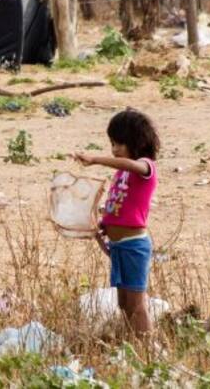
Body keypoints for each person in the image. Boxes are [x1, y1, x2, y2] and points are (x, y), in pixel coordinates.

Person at [74, 108, 160, 337]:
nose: (115, 150)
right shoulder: (121, 175)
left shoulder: (145, 167)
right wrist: (103, 225)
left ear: (137, 141)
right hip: (119, 246)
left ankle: (147, 348)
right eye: (112, 144)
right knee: (124, 304)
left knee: (137, 305)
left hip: (133, 245)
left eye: (119, 144)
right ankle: (135, 345)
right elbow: (119, 206)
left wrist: (95, 160)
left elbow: (134, 166)